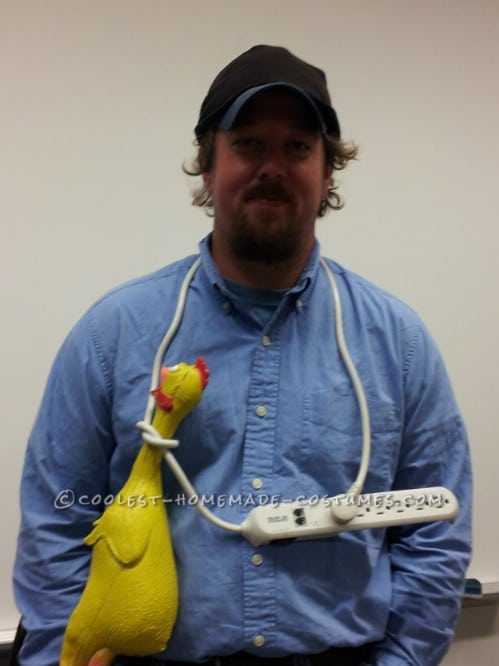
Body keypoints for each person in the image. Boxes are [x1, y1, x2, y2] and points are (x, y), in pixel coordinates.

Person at [13, 45, 472, 666]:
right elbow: (56, 525)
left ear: (328, 174)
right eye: (249, 144)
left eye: (297, 147)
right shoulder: (113, 334)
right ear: (208, 166)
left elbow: (435, 534)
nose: (272, 167)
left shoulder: (399, 344)